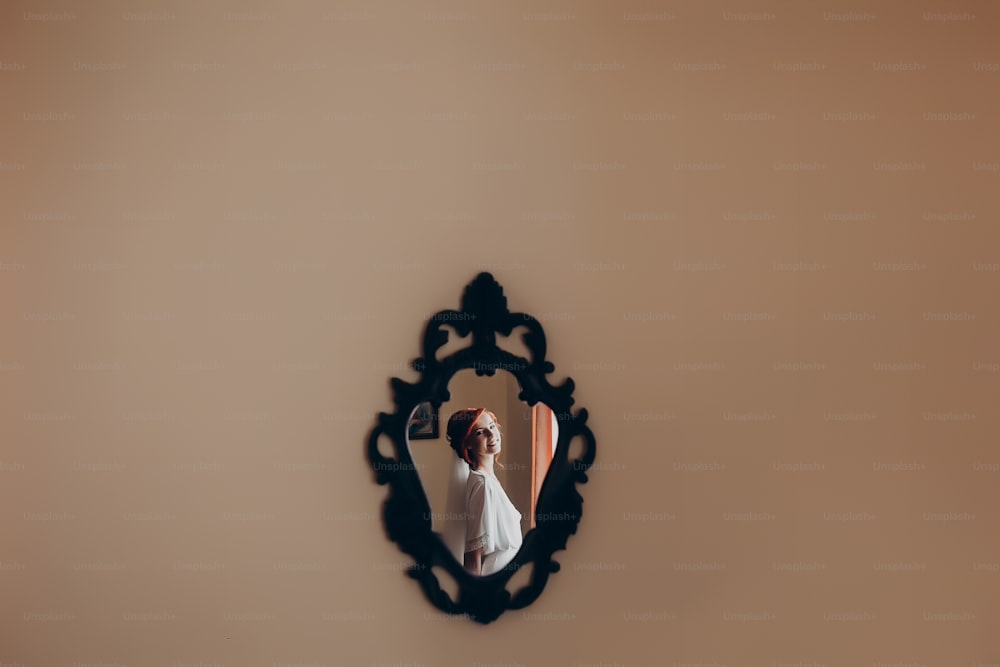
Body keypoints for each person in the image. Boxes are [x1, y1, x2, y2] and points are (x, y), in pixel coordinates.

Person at [443, 408, 523, 576]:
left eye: (492, 426)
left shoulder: (487, 479)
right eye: (480, 432)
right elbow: (473, 554)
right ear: (468, 443)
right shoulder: (482, 484)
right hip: (494, 574)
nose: (491, 434)